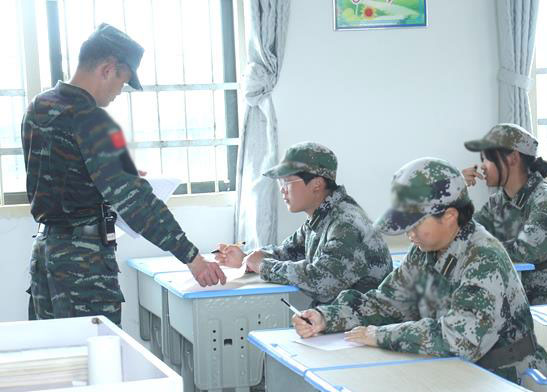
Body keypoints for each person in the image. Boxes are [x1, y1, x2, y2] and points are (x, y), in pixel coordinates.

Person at [21, 23, 225, 326]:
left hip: (45, 256)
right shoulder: (97, 122)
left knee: (56, 349)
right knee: (98, 351)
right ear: (108, 69)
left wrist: (114, 172)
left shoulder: (38, 106)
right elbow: (137, 201)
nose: (120, 91)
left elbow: (60, 175)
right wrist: (193, 257)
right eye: (123, 81)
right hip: (82, 266)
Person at [292, 157, 547, 384]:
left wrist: (380, 335)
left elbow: (460, 339)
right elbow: (386, 304)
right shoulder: (425, 250)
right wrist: (326, 317)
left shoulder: (483, 258)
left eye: (415, 224)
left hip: (507, 382)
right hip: (458, 374)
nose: (409, 233)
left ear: (449, 216)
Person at [216, 142, 392, 306]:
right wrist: (246, 259)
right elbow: (289, 252)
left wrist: (263, 266)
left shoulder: (346, 223)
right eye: (280, 182)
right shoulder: (322, 215)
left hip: (365, 322)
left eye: (287, 181)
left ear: (317, 184)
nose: (282, 189)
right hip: (337, 318)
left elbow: (322, 281)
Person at [462, 124, 547, 305]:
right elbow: (463, 233)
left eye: (488, 158)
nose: (482, 166)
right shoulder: (499, 202)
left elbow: (524, 252)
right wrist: (457, 189)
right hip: (528, 295)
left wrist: (474, 248)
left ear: (513, 158)